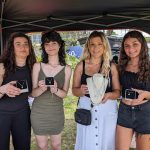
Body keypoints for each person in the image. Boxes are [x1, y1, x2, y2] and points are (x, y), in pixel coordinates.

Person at [72, 31, 120, 150]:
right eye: (92, 44)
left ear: (104, 46)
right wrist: (81, 91)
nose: (96, 48)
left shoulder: (111, 66)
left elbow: (118, 92)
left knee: (106, 142)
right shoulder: (81, 66)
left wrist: (108, 95)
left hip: (106, 111)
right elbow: (74, 90)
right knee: (88, 142)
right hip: (87, 110)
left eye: (99, 44)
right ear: (88, 46)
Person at [31, 30, 72, 150]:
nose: (50, 47)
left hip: (56, 112)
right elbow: (33, 93)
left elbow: (64, 94)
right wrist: (41, 89)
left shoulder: (67, 68)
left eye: (54, 43)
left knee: (56, 145)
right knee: (42, 146)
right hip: (39, 113)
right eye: (47, 44)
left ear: (60, 45)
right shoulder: (37, 66)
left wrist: (55, 90)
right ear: (43, 47)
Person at [0, 32, 36, 150]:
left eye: (26, 44)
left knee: (23, 147)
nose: (23, 47)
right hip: (2, 114)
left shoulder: (33, 68)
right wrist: (3, 89)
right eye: (18, 44)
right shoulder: (2, 67)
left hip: (22, 114)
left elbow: (33, 93)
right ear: (12, 48)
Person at [116, 30, 150, 150]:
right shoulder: (120, 66)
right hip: (125, 111)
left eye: (135, 44)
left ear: (142, 45)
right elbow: (117, 90)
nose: (131, 49)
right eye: (127, 46)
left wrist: (146, 94)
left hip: (145, 113)